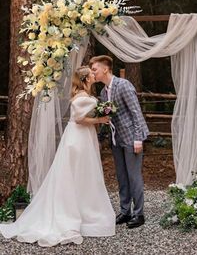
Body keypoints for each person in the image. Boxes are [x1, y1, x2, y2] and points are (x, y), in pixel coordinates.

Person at [0, 66, 115, 247]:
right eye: (91, 74)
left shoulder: (83, 95)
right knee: (77, 173)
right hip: (78, 139)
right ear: (85, 79)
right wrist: (100, 120)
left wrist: (99, 116)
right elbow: (79, 119)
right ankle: (76, 212)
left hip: (81, 137)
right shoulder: (82, 97)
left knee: (81, 174)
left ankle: (83, 209)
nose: (94, 75)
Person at [90, 55, 149, 229]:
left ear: (105, 69)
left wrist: (138, 138)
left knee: (134, 176)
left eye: (95, 69)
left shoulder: (124, 85)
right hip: (116, 140)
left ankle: (139, 214)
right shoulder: (103, 92)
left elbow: (136, 112)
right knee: (122, 177)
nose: (93, 73)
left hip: (132, 138)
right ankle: (125, 211)